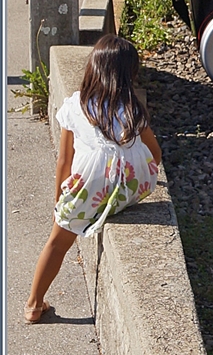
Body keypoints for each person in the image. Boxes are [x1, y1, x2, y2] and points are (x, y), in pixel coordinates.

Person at [24, 35, 161, 324]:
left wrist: (59, 200)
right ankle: (114, 204)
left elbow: (64, 160)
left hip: (89, 186)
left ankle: (34, 304)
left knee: (58, 242)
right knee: (117, 190)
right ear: (129, 74)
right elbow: (155, 154)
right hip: (131, 184)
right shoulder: (133, 108)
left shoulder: (76, 105)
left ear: (93, 69)